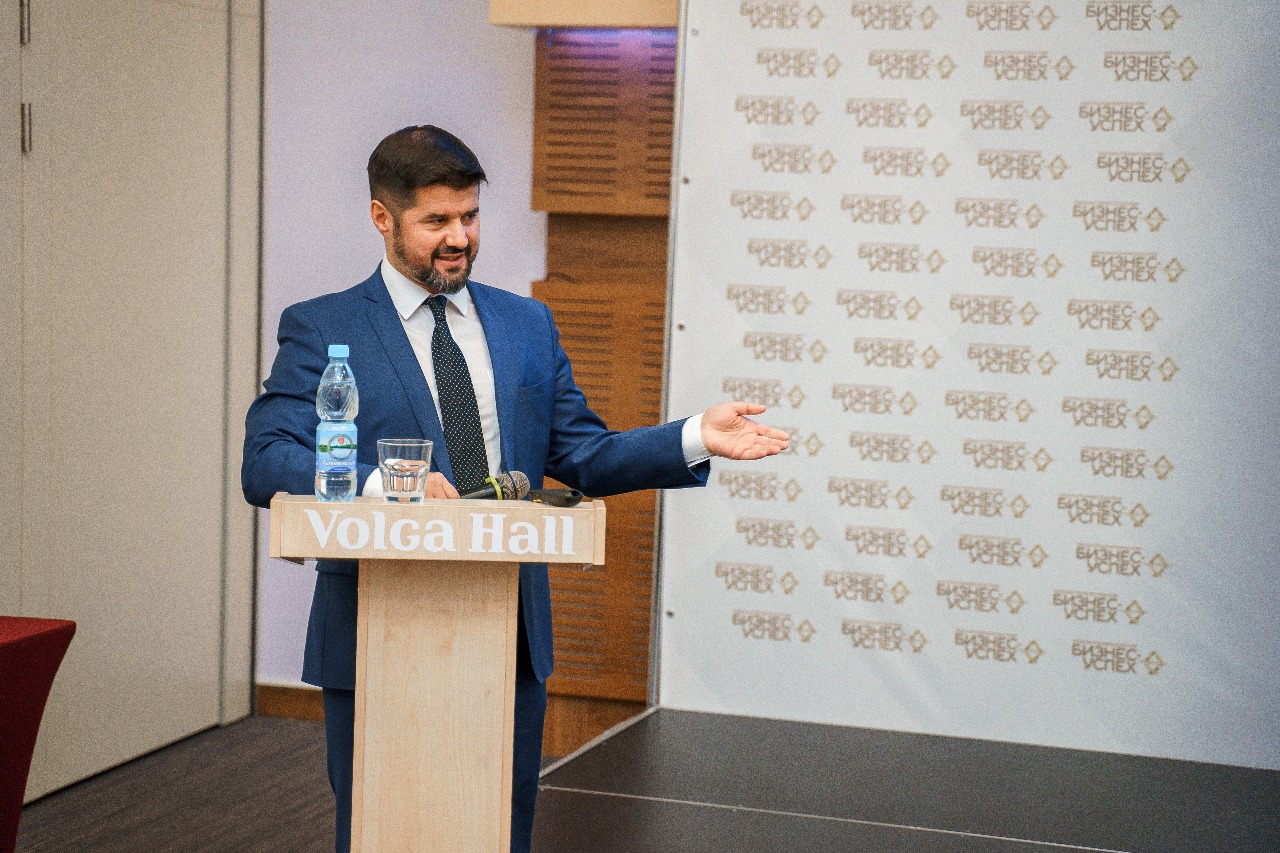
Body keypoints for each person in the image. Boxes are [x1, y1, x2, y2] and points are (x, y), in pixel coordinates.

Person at [241, 124, 788, 853]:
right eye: (436, 220)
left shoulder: (526, 324)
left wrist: (693, 436)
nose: (459, 238)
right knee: (381, 828)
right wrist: (383, 483)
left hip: (508, 634)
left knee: (500, 830)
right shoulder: (324, 327)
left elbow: (584, 455)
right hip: (374, 631)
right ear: (381, 217)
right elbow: (266, 458)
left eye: (470, 216)